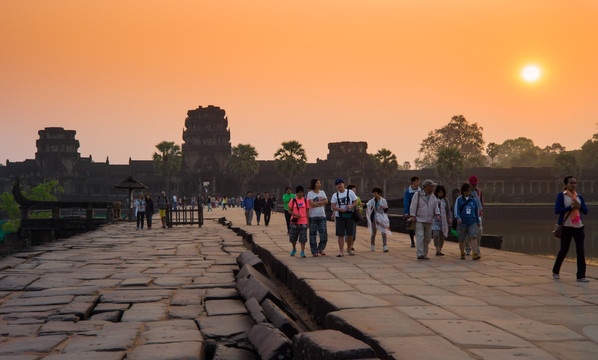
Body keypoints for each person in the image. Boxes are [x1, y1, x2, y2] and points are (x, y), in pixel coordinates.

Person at [552, 176, 589, 282]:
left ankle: (581, 275)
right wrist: (570, 207)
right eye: (571, 183)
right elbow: (557, 210)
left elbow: (586, 211)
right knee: (564, 250)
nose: (573, 184)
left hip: (578, 226)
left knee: (580, 251)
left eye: (575, 183)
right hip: (567, 227)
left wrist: (579, 206)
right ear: (566, 185)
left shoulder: (579, 197)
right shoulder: (562, 196)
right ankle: (556, 270)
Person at [409, 179, 437, 260]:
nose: (433, 187)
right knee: (420, 236)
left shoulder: (433, 196)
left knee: (427, 238)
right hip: (419, 219)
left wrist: (437, 214)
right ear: (427, 186)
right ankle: (420, 254)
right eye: (432, 186)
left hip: (429, 219)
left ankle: (424, 254)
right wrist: (413, 215)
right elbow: (413, 205)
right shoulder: (417, 195)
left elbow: (435, 207)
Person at [330, 178, 358, 257]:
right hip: (340, 216)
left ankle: (349, 248)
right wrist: (339, 209)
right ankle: (341, 251)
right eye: (337, 184)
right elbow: (333, 206)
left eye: (340, 184)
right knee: (340, 234)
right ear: (336, 186)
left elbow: (356, 201)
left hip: (349, 215)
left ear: (344, 184)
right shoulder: (335, 195)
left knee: (350, 233)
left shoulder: (350, 192)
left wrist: (351, 206)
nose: (339, 185)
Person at [454, 183, 481, 260]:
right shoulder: (459, 199)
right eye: (467, 190)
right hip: (462, 222)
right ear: (464, 191)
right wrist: (458, 217)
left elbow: (476, 211)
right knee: (461, 239)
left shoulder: (474, 200)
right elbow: (457, 210)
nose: (469, 192)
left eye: (470, 190)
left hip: (472, 222)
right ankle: (462, 253)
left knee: (473, 237)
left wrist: (477, 221)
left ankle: (475, 253)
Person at [307, 178, 328, 256]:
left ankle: (321, 248)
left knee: (324, 235)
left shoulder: (322, 192)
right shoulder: (310, 193)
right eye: (317, 183)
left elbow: (326, 201)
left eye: (319, 183)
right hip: (313, 216)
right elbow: (311, 204)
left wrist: (317, 203)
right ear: (314, 185)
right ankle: (314, 251)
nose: (319, 184)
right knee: (312, 235)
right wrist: (321, 203)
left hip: (322, 216)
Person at [366, 186, 391, 252]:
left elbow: (386, 209)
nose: (374, 194)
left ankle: (385, 246)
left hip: (382, 218)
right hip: (374, 218)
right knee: (374, 233)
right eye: (373, 193)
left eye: (375, 192)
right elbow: (367, 205)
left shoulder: (383, 200)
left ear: (379, 193)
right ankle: (372, 245)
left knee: (383, 232)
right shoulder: (372, 201)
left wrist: (383, 207)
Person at [288, 185, 309, 258]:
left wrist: (307, 222)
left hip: (303, 221)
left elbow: (307, 212)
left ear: (302, 193)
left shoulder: (306, 201)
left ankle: (302, 251)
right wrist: (296, 214)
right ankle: (294, 249)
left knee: (303, 237)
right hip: (294, 221)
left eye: (300, 192)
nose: (299, 194)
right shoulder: (293, 200)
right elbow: (289, 210)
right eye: (297, 193)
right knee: (293, 237)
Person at [466, 175, 484, 255]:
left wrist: (481, 211)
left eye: (475, 184)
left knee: (479, 231)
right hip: (467, 214)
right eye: (472, 184)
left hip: (477, 214)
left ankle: (476, 247)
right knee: (467, 232)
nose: (473, 186)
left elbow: (481, 202)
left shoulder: (479, 191)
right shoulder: (465, 191)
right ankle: (467, 248)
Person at [432, 185, 452, 256]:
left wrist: (450, 218)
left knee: (442, 235)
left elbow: (448, 210)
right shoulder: (434, 199)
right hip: (435, 220)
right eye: (439, 192)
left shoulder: (445, 200)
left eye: (442, 192)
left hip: (443, 221)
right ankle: (437, 248)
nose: (440, 194)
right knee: (436, 234)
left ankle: (439, 249)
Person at [403, 176, 421, 248]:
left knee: (419, 227)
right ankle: (412, 241)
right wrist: (406, 212)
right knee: (411, 227)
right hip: (411, 211)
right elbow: (406, 202)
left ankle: (418, 241)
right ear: (412, 182)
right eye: (416, 181)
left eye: (418, 181)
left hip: (419, 211)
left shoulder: (420, 191)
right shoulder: (408, 192)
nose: (418, 183)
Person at [347, 184, 362, 251]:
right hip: (347, 215)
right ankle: (348, 244)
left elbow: (360, 207)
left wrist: (359, 209)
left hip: (354, 215)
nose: (354, 193)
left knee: (353, 230)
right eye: (353, 191)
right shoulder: (346, 197)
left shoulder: (357, 198)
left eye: (355, 191)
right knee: (347, 230)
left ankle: (351, 245)